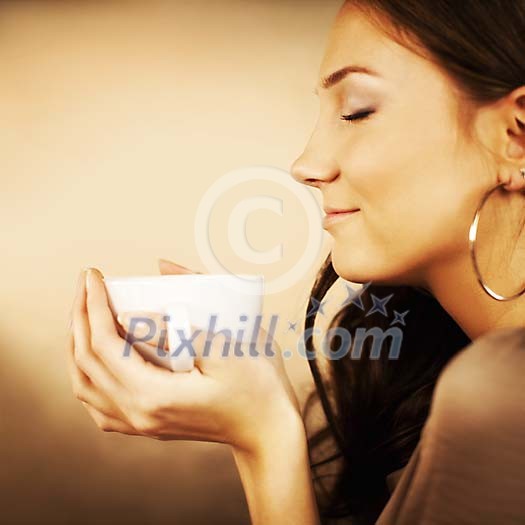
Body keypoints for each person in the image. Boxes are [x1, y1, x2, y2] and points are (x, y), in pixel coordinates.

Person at [66, 1, 525, 524]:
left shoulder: (503, 394)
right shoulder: (454, 375)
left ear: (515, 136)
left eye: (356, 110)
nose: (305, 164)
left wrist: (264, 436)